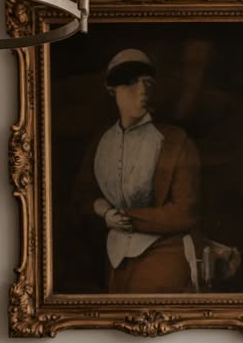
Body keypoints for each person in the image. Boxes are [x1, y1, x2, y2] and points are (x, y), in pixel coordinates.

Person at [72, 49, 202, 293]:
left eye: (148, 83)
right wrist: (105, 212)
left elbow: (185, 211)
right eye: (132, 83)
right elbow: (84, 194)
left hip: (166, 255)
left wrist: (126, 217)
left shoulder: (175, 141)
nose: (143, 90)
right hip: (115, 259)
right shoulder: (102, 141)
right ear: (113, 89)